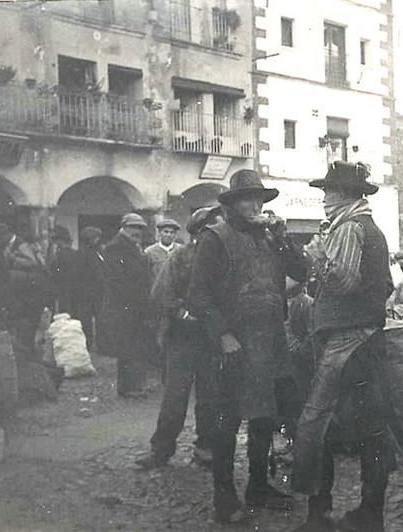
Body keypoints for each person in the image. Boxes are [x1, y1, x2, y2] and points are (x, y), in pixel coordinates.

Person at [187, 169, 307, 524]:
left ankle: (258, 486)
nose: (255, 205)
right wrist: (222, 334)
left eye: (259, 199)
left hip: (269, 343)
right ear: (233, 204)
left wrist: (284, 239)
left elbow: (302, 272)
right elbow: (198, 295)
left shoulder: (270, 238)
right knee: (226, 422)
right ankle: (225, 498)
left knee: (264, 417)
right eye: (247, 199)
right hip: (232, 345)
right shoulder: (215, 238)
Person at [292, 161, 397, 532]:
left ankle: (318, 514)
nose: (324, 199)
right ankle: (370, 514)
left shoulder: (350, 227)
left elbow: (345, 282)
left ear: (348, 196)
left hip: (347, 343)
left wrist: (319, 261)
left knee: (314, 425)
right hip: (365, 340)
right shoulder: (362, 226)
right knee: (371, 430)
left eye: (329, 192)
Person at [136, 204, 223, 470]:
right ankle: (161, 450)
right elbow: (161, 293)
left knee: (211, 396)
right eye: (213, 227)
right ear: (199, 232)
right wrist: (182, 313)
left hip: (212, 336)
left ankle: (206, 447)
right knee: (175, 396)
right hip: (183, 336)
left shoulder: (224, 259)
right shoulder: (181, 258)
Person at [100, 213, 155, 398]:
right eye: (133, 227)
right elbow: (117, 281)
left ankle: (133, 386)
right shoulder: (115, 248)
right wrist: (137, 301)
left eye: (140, 228)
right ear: (123, 228)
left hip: (136, 306)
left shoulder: (134, 247)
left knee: (135, 347)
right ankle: (129, 388)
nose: (137, 231)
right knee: (129, 348)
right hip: (125, 306)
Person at [0, 223, 49, 360]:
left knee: (28, 323)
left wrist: (11, 258)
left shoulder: (20, 244)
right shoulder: (13, 245)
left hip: (31, 288)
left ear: (6, 235)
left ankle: (27, 354)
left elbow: (31, 263)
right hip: (26, 288)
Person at [71, 227, 104, 352]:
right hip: (88, 292)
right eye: (96, 238)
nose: (98, 240)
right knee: (87, 320)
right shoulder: (85, 254)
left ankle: (95, 343)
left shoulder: (95, 253)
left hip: (94, 292)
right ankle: (89, 343)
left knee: (94, 319)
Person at [48, 225, 77, 314]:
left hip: (64, 290)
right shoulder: (73, 253)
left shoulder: (61, 253)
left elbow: (55, 270)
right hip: (71, 290)